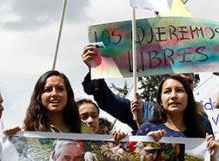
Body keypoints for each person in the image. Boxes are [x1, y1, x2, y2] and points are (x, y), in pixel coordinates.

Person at [81, 44, 213, 133]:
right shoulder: (145, 111)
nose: (176, 93)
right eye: (175, 83)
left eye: (187, 83)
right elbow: (108, 101)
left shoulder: (201, 121)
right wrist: (95, 68)